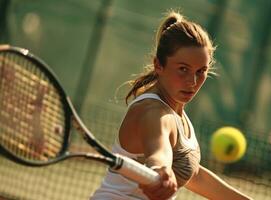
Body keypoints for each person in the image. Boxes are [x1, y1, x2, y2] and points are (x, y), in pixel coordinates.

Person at [91, 10, 252, 200]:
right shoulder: (153, 112)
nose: (192, 81)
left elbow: (195, 175)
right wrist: (161, 170)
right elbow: (159, 152)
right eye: (183, 69)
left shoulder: (177, 113)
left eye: (201, 71)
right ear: (158, 65)